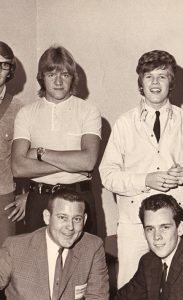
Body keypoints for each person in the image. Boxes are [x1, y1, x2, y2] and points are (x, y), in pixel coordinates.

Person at [100, 50, 183, 287]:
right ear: (140, 82)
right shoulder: (124, 123)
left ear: (171, 82)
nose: (154, 82)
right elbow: (107, 175)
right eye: (148, 76)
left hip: (175, 222)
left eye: (162, 76)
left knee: (176, 286)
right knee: (132, 287)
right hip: (134, 225)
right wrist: (146, 179)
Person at [12, 46, 101, 234]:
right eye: (51, 74)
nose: (59, 81)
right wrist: (72, 164)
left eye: (65, 75)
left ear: (73, 78)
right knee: (39, 261)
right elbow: (18, 167)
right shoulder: (26, 113)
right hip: (39, 200)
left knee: (83, 261)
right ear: (41, 77)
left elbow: (88, 161)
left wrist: (39, 153)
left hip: (79, 198)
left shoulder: (88, 111)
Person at [0, 188, 109, 299]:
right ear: (47, 217)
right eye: (62, 217)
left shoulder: (93, 247)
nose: (70, 227)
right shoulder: (15, 247)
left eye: (76, 219)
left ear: (84, 220)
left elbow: (98, 296)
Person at [116, 194, 183, 300]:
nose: (157, 237)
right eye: (150, 229)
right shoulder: (148, 261)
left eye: (164, 227)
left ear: (180, 229)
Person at [0, 41, 26, 246]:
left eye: (4, 65)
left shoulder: (20, 110)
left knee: (7, 259)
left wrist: (27, 196)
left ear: (10, 70)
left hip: (4, 197)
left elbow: (28, 156)